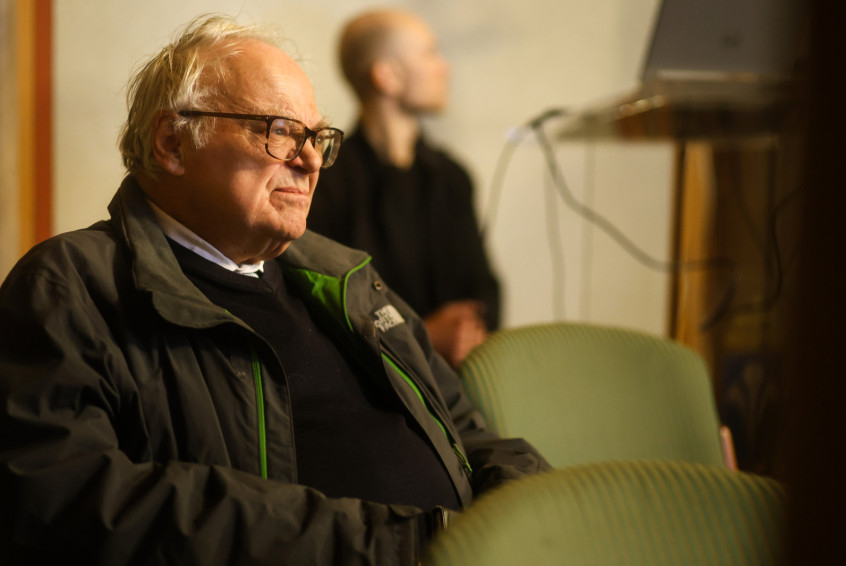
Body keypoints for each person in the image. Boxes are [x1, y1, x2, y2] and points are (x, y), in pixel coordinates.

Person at [0, 14, 549, 565]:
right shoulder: (71, 286)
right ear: (172, 143)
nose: (310, 161)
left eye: (317, 138)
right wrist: (406, 543)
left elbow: (466, 430)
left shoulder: (349, 279)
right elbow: (67, 501)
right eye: (281, 131)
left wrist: (533, 516)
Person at [308, 9, 500, 368]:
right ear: (388, 76)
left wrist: (468, 331)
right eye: (430, 53)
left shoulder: (453, 177)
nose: (444, 66)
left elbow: (485, 291)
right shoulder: (327, 180)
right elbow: (324, 309)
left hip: (463, 377)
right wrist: (420, 336)